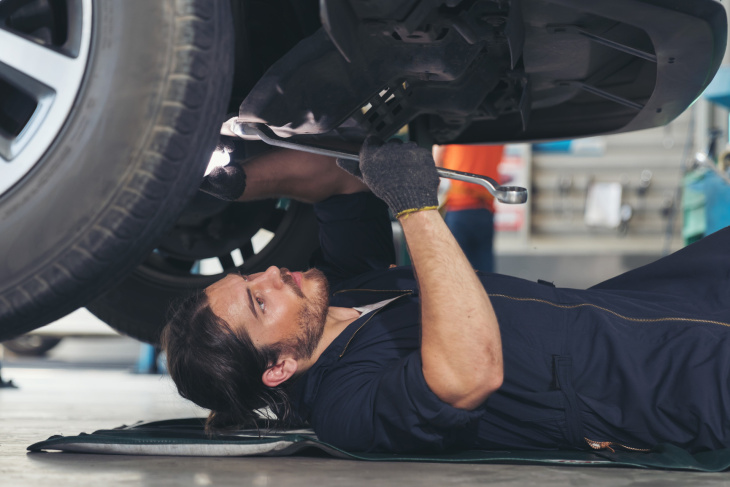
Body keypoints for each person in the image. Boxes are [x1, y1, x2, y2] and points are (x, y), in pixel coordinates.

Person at [162, 138, 730, 454]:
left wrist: (220, 180)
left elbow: (336, 176)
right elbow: (467, 375)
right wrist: (414, 204)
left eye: (249, 278)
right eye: (260, 302)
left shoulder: (347, 285)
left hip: (637, 305)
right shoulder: (344, 407)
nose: (272, 276)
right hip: (647, 386)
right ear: (279, 368)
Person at [433, 144, 504, 272]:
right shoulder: (497, 134)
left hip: (459, 209)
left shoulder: (452, 134)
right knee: (486, 274)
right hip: (485, 208)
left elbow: (434, 165)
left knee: (458, 271)